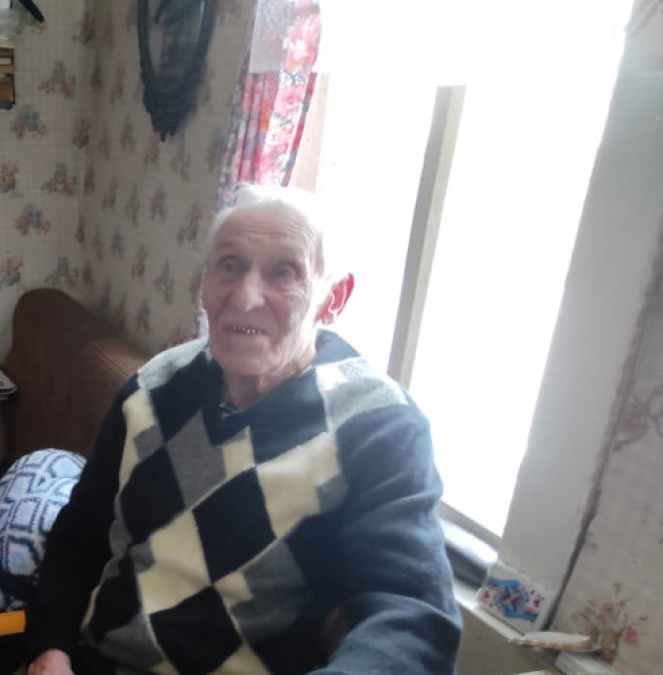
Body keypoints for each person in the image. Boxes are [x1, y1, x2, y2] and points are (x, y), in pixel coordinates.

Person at [25, 186, 462, 674]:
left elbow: (410, 613)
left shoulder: (380, 426)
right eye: (230, 265)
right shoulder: (151, 388)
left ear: (333, 299)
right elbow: (80, 533)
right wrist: (50, 647)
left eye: (284, 272)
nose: (246, 296)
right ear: (205, 284)